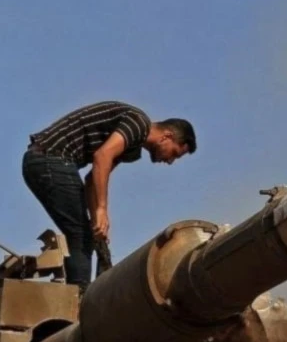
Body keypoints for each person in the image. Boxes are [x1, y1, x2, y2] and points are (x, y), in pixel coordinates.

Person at [21, 102, 196, 288]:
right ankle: (79, 297)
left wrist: (97, 222)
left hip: (43, 161)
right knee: (81, 235)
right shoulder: (138, 123)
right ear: (166, 137)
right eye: (174, 154)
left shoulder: (132, 148)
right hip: (50, 159)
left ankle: (79, 291)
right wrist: (102, 209)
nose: (170, 161)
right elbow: (102, 156)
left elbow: (91, 180)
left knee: (86, 234)